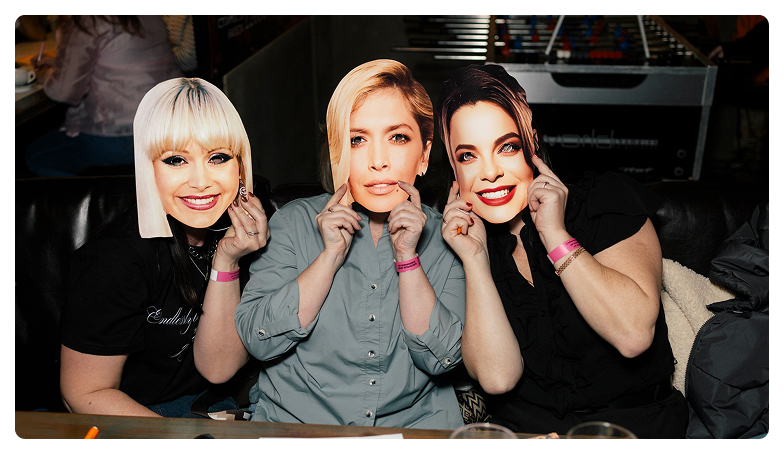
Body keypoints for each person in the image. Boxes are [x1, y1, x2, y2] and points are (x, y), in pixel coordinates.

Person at [436, 64, 688, 438]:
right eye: (467, 156)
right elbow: (497, 379)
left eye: (507, 147)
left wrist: (554, 234)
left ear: (532, 143)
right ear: (454, 169)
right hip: (527, 436)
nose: (489, 172)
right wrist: (475, 260)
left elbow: (633, 335)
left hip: (632, 430)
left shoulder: (604, 200)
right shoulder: (466, 241)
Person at [235, 59, 466, 429]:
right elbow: (258, 341)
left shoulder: (449, 238)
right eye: (357, 139)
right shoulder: (293, 223)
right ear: (337, 151)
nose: (378, 161)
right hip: (298, 430)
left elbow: (444, 359)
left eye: (397, 137)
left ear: (424, 154)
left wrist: (408, 259)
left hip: (413, 431)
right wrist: (329, 257)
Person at [60, 77, 268, 417]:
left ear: (241, 168)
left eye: (218, 157)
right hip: (139, 418)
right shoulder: (116, 259)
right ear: (147, 168)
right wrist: (179, 440)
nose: (201, 182)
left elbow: (218, 369)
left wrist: (227, 261)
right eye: (175, 160)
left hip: (209, 405)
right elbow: (84, 393)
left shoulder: (247, 233)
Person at [25, 15, 183, 177]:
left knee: (35, 156)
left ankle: (96, 193)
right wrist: (60, 63)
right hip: (172, 125)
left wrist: (47, 75)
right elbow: (124, 59)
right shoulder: (147, 14)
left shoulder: (87, 20)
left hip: (124, 136)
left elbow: (62, 92)